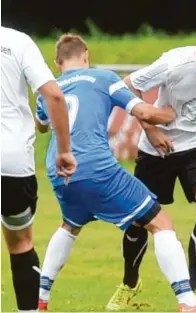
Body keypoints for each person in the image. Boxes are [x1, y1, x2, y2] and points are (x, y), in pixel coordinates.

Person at [36, 33, 196, 313]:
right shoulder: (102, 78)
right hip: (97, 167)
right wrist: (169, 114)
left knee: (70, 224)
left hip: (59, 170)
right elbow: (143, 111)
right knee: (161, 224)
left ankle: (41, 300)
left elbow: (42, 125)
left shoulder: (48, 89)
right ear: (86, 54)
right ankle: (188, 302)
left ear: (57, 62)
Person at [106, 14, 196, 310]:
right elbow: (127, 86)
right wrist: (151, 129)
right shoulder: (175, 63)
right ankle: (129, 283)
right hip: (159, 150)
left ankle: (191, 293)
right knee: (139, 221)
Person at [1, 26, 77, 311]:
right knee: (21, 244)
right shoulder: (17, 41)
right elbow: (54, 96)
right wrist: (65, 150)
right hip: (11, 161)